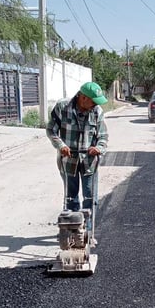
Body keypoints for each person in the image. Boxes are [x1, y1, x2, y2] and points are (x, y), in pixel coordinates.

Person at [46, 81, 109, 212]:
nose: (95, 105)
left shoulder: (97, 111)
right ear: (83, 97)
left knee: (90, 197)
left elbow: (103, 136)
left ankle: (88, 228)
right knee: (71, 197)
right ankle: (73, 227)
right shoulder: (62, 107)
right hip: (68, 160)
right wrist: (60, 145)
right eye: (94, 101)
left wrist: (98, 148)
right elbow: (51, 130)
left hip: (89, 161)